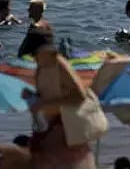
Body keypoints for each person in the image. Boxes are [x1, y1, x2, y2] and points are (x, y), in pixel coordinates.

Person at [24, 27, 94, 169]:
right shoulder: (40, 67)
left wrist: (45, 102)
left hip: (63, 127)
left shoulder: (59, 65)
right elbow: (47, 94)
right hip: (45, 125)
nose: (34, 56)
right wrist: (32, 97)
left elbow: (80, 96)